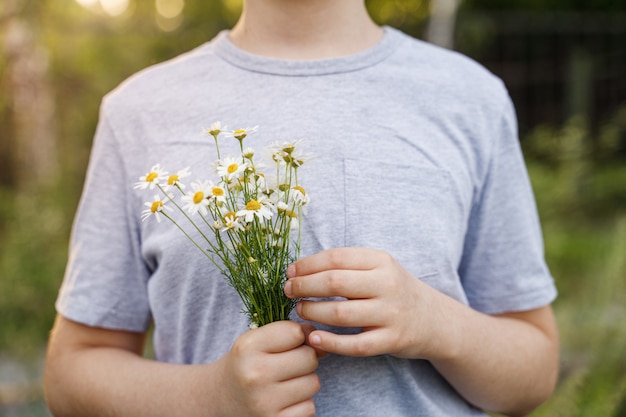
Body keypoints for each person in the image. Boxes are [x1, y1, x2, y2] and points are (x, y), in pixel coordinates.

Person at [44, 1, 559, 416]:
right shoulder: (138, 110)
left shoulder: (470, 97)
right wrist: (209, 398)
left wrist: (437, 323)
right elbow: (71, 375)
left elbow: (533, 372)